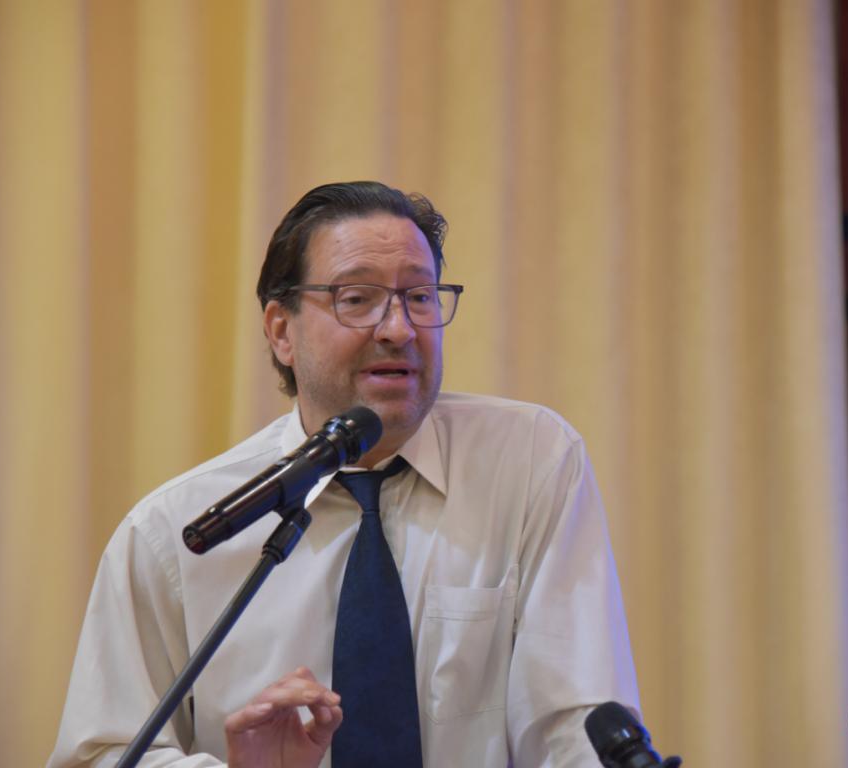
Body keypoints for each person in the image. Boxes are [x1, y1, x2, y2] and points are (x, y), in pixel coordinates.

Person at [48, 181, 640, 767]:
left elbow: (575, 723)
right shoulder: (173, 532)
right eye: (357, 299)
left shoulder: (530, 462)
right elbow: (102, 755)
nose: (399, 329)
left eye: (420, 296)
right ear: (281, 331)